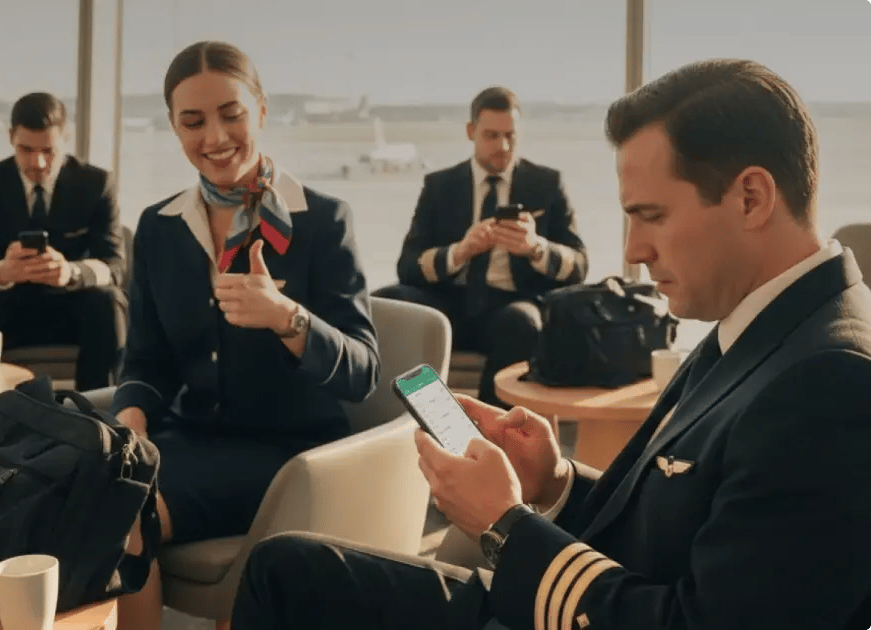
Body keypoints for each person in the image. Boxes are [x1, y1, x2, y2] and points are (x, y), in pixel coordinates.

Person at [231, 58, 871, 630]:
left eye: (651, 216)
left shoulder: (831, 382)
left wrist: (505, 523)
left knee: (286, 582)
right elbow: (679, 524)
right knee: (284, 569)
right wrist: (554, 481)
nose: (634, 250)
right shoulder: (769, 322)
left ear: (751, 198)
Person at [109, 40, 380, 630]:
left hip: (289, 453)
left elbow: (363, 372)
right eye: (193, 122)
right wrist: (130, 420)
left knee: (119, 511)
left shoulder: (323, 220)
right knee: (72, 489)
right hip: (189, 438)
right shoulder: (159, 227)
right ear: (174, 127)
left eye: (231, 114)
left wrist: (287, 317)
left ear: (260, 109)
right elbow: (147, 358)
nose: (214, 137)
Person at [373, 86, 588, 406]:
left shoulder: (546, 184)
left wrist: (536, 248)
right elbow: (408, 266)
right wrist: (460, 251)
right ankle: (424, 413)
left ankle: (488, 427)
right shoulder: (440, 186)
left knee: (522, 322)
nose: (503, 146)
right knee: (388, 302)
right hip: (449, 301)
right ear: (470, 131)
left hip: (512, 304)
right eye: (491, 135)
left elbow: (580, 266)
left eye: (510, 136)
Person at [0, 92, 127, 390]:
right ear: (11, 137)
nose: (37, 162)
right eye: (25, 149)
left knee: (109, 301)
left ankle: (97, 409)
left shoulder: (95, 183)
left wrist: (71, 272)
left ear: (66, 138)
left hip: (71, 309)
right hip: (6, 308)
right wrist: (2, 272)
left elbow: (115, 264)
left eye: (48, 151)